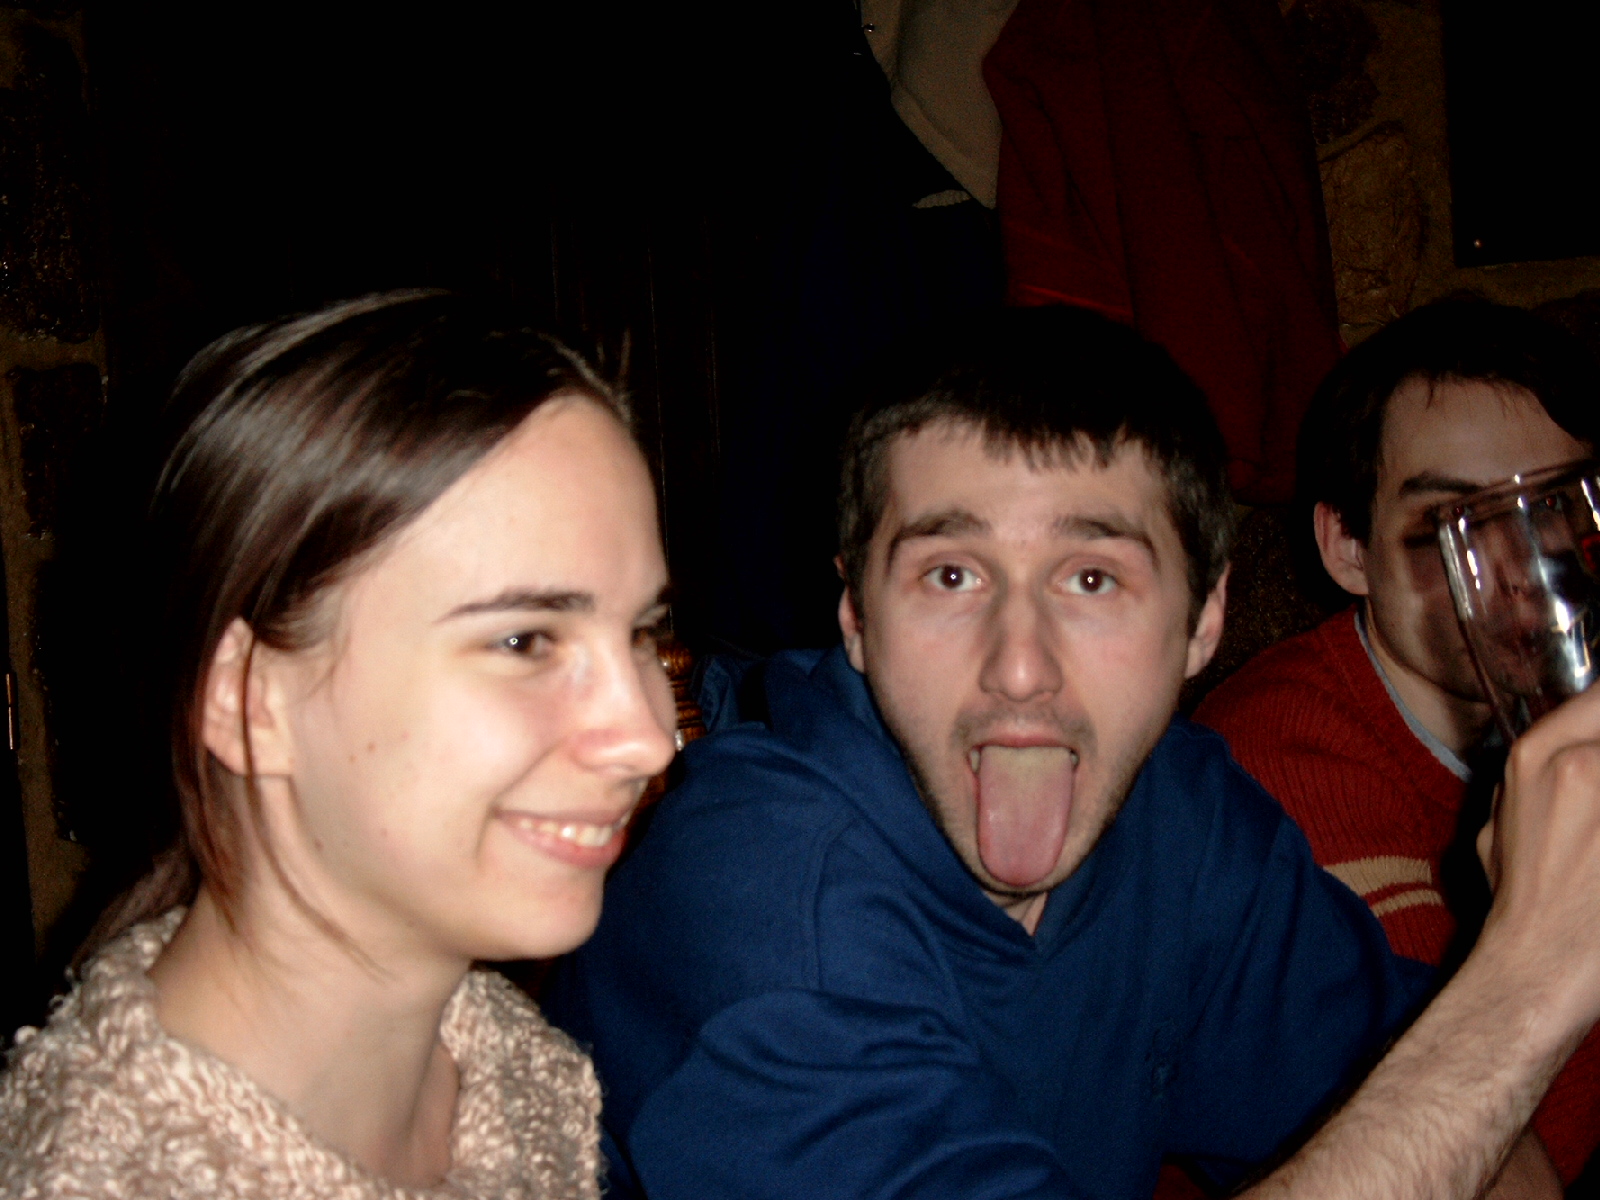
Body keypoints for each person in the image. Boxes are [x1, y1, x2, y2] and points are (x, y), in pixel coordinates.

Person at [546, 305, 1600, 1200]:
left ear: (1204, 620)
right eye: (950, 576)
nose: (1019, 669)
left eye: (1092, 579)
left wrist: (1495, 1033)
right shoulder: (755, 903)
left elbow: (1464, 1129)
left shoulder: (1186, 814)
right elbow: (1469, 1077)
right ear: (856, 617)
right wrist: (1522, 989)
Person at [0, 292, 678, 1198]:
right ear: (249, 699)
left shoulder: (514, 1071)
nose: (649, 739)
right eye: (524, 642)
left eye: (641, 632)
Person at [1196, 301, 1600, 1187]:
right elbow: (1491, 1145)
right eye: (1448, 523)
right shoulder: (1275, 773)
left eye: (1549, 508)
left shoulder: (1561, 699)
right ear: (1347, 547)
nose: (1519, 571)